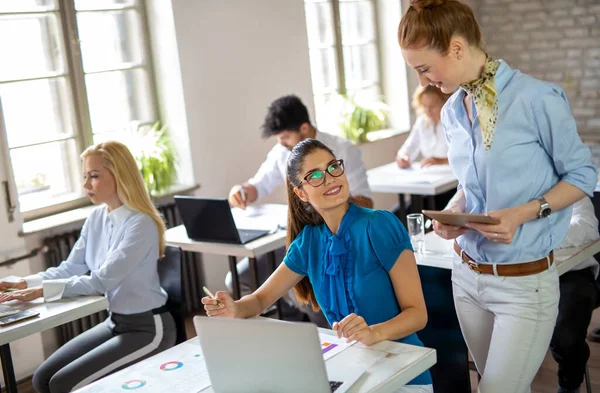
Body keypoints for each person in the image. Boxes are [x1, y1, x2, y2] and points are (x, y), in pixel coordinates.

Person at [398, 1, 597, 392]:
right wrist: (454, 213)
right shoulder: (454, 108)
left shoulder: (537, 98)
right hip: (466, 278)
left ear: (456, 48)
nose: (422, 82)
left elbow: (582, 176)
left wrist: (522, 214)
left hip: (524, 285)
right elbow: (470, 186)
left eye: (424, 68)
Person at [204, 139, 432, 391]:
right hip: (352, 371)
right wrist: (234, 309)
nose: (330, 179)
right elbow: (260, 300)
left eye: (333, 167)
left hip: (404, 375)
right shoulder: (308, 242)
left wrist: (374, 333)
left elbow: (417, 314)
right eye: (315, 175)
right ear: (300, 193)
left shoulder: (379, 225)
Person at [0, 141, 176, 393]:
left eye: (94, 176)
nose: (85, 185)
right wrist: (25, 283)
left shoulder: (141, 224)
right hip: (115, 323)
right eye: (85, 176)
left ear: (119, 176)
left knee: (62, 385)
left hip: (149, 328)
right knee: (42, 380)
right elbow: (70, 267)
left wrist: (39, 292)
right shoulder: (96, 218)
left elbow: (101, 281)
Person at [225, 95, 373, 325]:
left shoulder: (343, 149)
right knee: (238, 276)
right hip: (295, 237)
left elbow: (366, 201)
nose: (282, 143)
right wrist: (242, 191)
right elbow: (259, 185)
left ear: (304, 128)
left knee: (316, 292)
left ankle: (320, 323)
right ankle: (298, 322)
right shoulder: (281, 152)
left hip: (334, 237)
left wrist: (326, 204)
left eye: (285, 137)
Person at [550, 197, 599, 393]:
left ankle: (569, 384)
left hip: (571, 272)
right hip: (512, 276)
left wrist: (533, 237)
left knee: (565, 334)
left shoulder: (566, 184)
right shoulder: (503, 183)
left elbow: (586, 227)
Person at [396, 84, 450, 169]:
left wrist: (441, 161)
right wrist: (403, 156)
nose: (428, 111)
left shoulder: (454, 122)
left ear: (445, 102)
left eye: (432, 106)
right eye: (424, 106)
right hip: (432, 175)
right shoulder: (422, 122)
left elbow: (466, 155)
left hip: (453, 176)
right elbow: (410, 145)